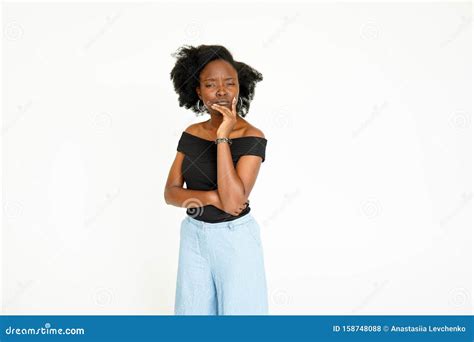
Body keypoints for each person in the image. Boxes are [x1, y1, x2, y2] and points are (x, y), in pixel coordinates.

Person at [164, 44, 268, 315]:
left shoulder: (252, 137)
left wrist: (223, 135)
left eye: (229, 83)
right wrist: (212, 198)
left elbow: (234, 200)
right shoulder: (192, 133)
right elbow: (170, 193)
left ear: (239, 88)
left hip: (235, 239)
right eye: (211, 84)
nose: (221, 90)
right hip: (193, 236)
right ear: (198, 91)